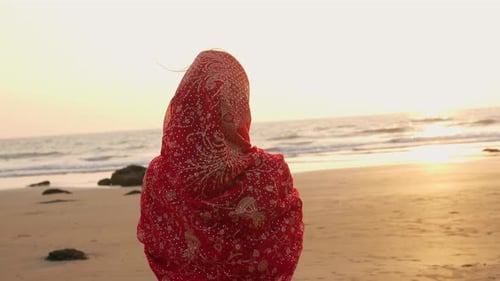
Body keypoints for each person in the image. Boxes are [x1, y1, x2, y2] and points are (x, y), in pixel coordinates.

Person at [137, 49, 303, 281]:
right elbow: (284, 245)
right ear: (239, 103)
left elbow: (157, 246)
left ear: (186, 100)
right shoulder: (270, 172)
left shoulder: (160, 175)